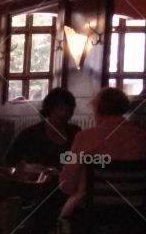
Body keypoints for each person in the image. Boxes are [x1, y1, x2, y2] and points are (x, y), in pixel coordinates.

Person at [59, 87, 146, 223]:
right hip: (136, 214)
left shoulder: (84, 137)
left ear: (97, 109)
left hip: (91, 215)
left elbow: (66, 185)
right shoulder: (142, 137)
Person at [5, 88, 78, 170]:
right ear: (49, 109)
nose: (64, 114)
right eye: (60, 108)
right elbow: (9, 161)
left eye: (68, 110)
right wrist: (30, 168)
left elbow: (82, 160)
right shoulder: (30, 135)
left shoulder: (75, 133)